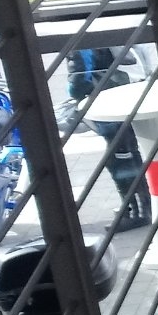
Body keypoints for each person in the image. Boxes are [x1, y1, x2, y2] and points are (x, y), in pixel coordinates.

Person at [60, 49, 149, 235]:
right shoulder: (104, 34)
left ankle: (137, 212)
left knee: (120, 160)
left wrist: (76, 95)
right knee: (129, 153)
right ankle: (142, 206)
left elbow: (79, 78)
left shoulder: (80, 42)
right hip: (125, 94)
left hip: (105, 101)